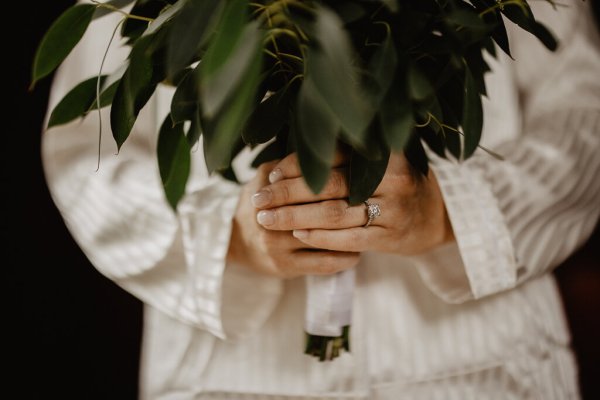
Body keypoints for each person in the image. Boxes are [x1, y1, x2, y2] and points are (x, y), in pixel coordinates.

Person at [41, 1, 600, 399]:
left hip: (481, 365)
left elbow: (582, 118)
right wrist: (228, 234)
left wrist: (453, 214)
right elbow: (85, 155)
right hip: (232, 374)